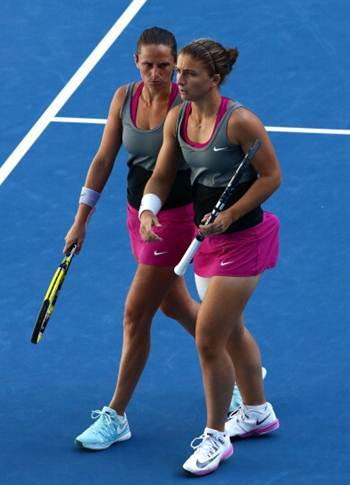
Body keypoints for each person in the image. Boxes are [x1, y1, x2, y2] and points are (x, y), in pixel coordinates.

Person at [63, 27, 246, 451]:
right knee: (173, 303)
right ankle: (241, 365)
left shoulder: (186, 103)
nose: (158, 73)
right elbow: (105, 157)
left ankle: (117, 414)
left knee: (135, 313)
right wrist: (81, 219)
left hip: (175, 217)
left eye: (166, 65)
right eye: (149, 65)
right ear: (136, 62)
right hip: (138, 215)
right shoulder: (123, 98)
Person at [139, 38, 281, 476]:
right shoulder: (177, 118)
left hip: (245, 238)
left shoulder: (241, 123)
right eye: (179, 72)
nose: (179, 80)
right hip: (208, 241)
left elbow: (271, 176)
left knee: (208, 337)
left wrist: (233, 213)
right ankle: (257, 411)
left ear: (214, 80)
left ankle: (216, 436)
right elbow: (162, 175)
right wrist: (149, 208)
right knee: (230, 330)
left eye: (189, 74)